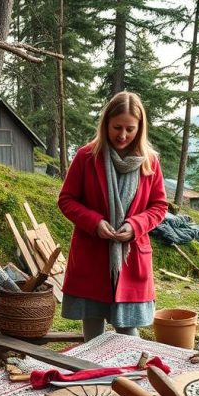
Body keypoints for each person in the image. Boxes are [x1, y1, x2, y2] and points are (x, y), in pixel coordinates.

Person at [58, 91, 168, 342]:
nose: (122, 135)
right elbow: (66, 200)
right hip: (92, 256)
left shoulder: (149, 162)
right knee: (92, 336)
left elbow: (159, 206)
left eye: (130, 129)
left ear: (140, 128)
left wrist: (136, 225)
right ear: (106, 123)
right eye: (116, 127)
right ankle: (92, 377)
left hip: (130, 259)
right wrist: (94, 223)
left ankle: (127, 379)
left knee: (129, 335)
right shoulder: (87, 156)